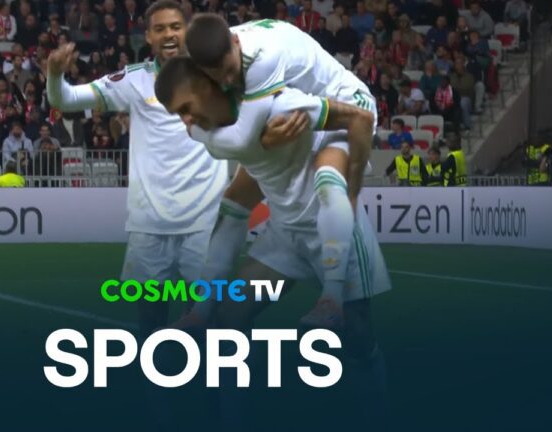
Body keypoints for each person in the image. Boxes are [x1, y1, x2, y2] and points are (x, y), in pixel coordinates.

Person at [155, 57, 391, 427]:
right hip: (284, 234)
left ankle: (380, 421)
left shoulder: (282, 106)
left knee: (358, 337)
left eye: (186, 108)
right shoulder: (212, 133)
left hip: (335, 229)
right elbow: (238, 200)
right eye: (177, 115)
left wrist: (349, 174)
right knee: (227, 316)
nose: (186, 123)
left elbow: (358, 118)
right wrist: (200, 311)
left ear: (206, 87)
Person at [48, 2, 254, 340]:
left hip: (205, 224)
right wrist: (55, 74)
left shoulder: (216, 74)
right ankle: (155, 372)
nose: (169, 34)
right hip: (149, 227)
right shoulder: (133, 80)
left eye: (175, 26)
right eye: (160, 29)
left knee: (207, 319)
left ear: (187, 30)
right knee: (150, 320)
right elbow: (65, 100)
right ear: (148, 36)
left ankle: (211, 375)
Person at [185, 15, 381, 324]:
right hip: (288, 223)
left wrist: (353, 190)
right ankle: (200, 312)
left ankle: (331, 299)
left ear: (236, 43)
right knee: (235, 199)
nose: (227, 82)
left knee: (327, 176)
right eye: (217, 78)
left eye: (230, 72)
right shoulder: (217, 54)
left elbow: (243, 141)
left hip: (344, 102)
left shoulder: (264, 63)